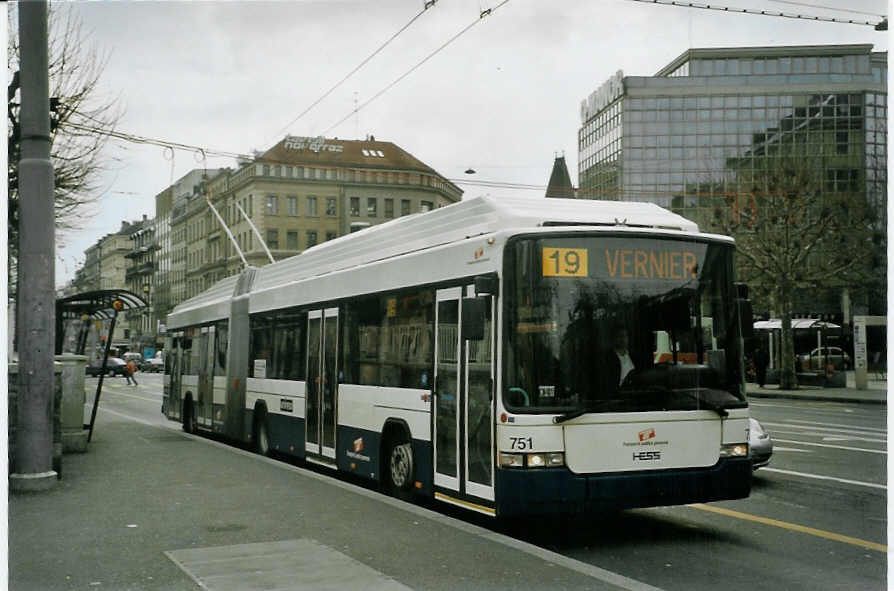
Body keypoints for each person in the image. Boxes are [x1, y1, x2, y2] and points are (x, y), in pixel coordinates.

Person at [603, 325, 636, 392]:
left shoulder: (634, 356)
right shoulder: (607, 358)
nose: (622, 339)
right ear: (613, 339)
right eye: (619, 336)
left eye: (625, 336)